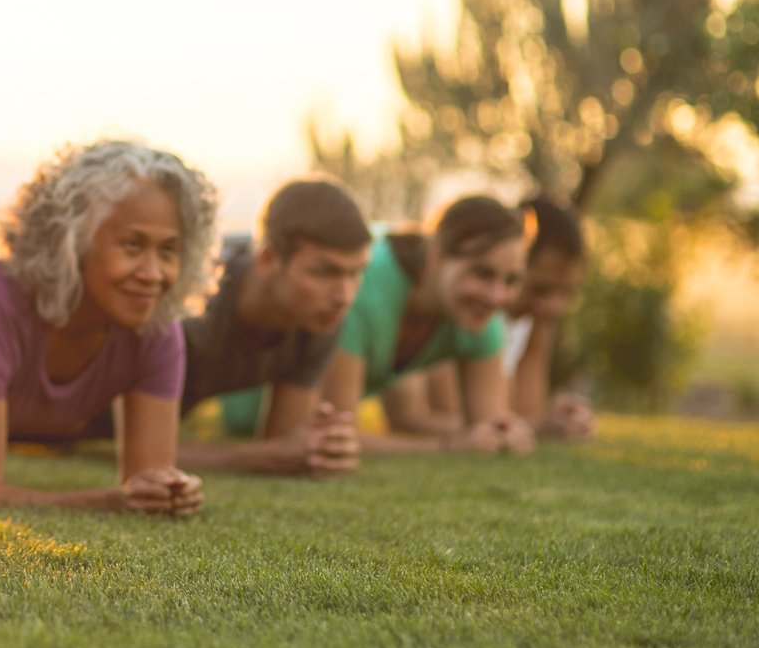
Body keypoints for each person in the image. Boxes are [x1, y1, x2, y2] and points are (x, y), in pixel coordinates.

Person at [0, 140, 217, 514]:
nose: (153, 274)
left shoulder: (155, 327)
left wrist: (167, 491)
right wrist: (107, 502)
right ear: (70, 239)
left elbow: (148, 476)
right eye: (132, 245)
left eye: (168, 250)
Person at [172, 177, 372, 477]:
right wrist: (259, 456)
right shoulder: (195, 301)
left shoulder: (317, 318)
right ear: (267, 258)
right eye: (324, 272)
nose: (344, 296)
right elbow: (134, 447)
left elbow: (281, 445)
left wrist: (318, 447)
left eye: (355, 274)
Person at [325, 194, 536, 454]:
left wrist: (508, 434)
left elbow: (491, 426)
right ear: (436, 257)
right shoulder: (366, 291)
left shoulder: (478, 313)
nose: (496, 296)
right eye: (482, 273)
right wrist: (449, 446)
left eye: (512, 280)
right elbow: (335, 437)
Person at [420, 196, 595, 440]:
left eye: (567, 292)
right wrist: (535, 427)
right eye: (540, 289)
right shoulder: (465, 312)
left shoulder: (532, 321)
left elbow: (524, 412)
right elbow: (453, 413)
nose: (554, 307)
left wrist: (548, 422)